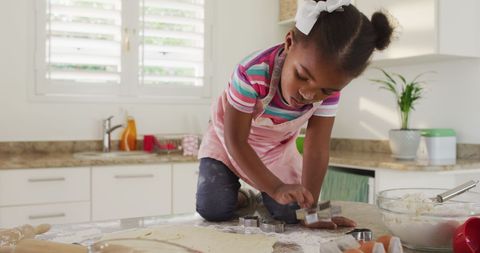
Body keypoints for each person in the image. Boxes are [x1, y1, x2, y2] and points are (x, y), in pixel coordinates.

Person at [196, 0, 394, 229]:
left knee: (294, 215)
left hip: (274, 151)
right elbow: (235, 140)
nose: (308, 94)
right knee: (213, 208)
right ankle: (242, 196)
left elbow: (316, 149)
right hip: (228, 141)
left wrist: (312, 211)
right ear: (289, 42)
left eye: (326, 90)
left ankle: (264, 196)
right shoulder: (251, 73)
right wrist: (275, 187)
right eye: (301, 75)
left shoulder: (330, 95)